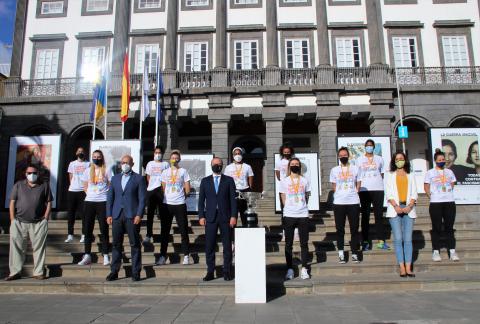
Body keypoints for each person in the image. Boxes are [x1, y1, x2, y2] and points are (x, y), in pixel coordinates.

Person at [5, 164, 52, 281]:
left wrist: (46, 217)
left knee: (39, 248)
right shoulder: (18, 185)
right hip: (19, 222)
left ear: (38, 174)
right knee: (16, 248)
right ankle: (15, 272)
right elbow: (12, 202)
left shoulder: (44, 185)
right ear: (25, 174)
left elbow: (49, 202)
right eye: (29, 173)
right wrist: (12, 219)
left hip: (38, 223)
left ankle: (38, 272)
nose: (32, 175)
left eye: (34, 173)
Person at [106, 155, 146, 281]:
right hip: (117, 214)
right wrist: (108, 214)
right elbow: (110, 198)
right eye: (123, 162)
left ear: (132, 164)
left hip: (132, 215)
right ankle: (114, 271)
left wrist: (139, 214)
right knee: (116, 244)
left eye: (127, 162)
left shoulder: (139, 179)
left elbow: (142, 199)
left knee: (134, 244)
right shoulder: (115, 178)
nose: (124, 164)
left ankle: (136, 272)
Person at [198, 157, 237, 281]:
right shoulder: (205, 181)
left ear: (222, 166)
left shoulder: (229, 180)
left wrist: (234, 216)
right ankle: (210, 271)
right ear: (211, 165)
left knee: (227, 245)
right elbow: (200, 201)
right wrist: (201, 216)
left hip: (226, 217)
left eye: (219, 164)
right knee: (209, 246)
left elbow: (233, 200)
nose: (217, 166)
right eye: (215, 164)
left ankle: (227, 271)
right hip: (210, 217)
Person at [385, 152, 418, 277]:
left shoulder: (411, 174)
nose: (399, 161)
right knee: (398, 239)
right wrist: (396, 206)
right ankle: (402, 267)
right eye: (397, 159)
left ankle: (409, 268)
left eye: (402, 159)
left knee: (408, 239)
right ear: (394, 161)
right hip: (395, 209)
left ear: (405, 160)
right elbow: (388, 193)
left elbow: (414, 192)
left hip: (409, 208)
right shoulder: (389, 175)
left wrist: (410, 206)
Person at [424, 149, 459, 262]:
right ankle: (436, 251)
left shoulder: (449, 172)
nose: (442, 161)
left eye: (443, 159)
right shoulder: (430, 172)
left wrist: (446, 193)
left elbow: (452, 183)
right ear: (435, 161)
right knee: (437, 228)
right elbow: (426, 187)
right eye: (439, 160)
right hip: (435, 203)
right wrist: (433, 196)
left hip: (449, 202)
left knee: (449, 227)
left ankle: (452, 251)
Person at [78, 150, 111, 266]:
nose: (96, 158)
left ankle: (106, 254)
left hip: (102, 202)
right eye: (94, 157)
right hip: (89, 202)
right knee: (87, 229)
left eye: (98, 157)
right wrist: (91, 194)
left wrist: (103, 195)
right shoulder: (88, 170)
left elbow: (110, 185)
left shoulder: (107, 170)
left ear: (102, 158)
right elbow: (85, 186)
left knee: (104, 229)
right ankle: (87, 255)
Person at [280, 158, 311, 280]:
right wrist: (287, 206)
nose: (294, 166)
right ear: (289, 167)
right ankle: (289, 269)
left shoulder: (305, 180)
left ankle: (304, 268)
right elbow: (282, 196)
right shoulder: (285, 181)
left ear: (300, 166)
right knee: (289, 244)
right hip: (289, 214)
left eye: (296, 164)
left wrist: (301, 205)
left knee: (304, 243)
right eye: (292, 164)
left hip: (303, 214)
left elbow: (307, 195)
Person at [330, 147, 361, 264]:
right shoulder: (334, 170)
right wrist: (339, 193)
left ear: (348, 156)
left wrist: (355, 191)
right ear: (338, 157)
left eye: (345, 155)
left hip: (353, 202)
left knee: (354, 229)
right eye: (341, 155)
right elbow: (334, 185)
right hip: (339, 203)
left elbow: (359, 182)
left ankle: (354, 252)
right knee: (340, 229)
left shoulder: (355, 168)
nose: (343, 157)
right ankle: (341, 253)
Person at [160, 150, 191, 265]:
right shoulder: (165, 172)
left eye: (176, 158)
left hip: (180, 204)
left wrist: (182, 195)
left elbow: (187, 188)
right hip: (167, 204)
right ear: (169, 159)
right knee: (165, 231)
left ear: (179, 159)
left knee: (183, 230)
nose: (174, 159)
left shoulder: (183, 171)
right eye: (172, 157)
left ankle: (186, 255)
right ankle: (163, 256)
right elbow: (162, 188)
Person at [356, 139, 389, 251]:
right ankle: (365, 241)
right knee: (365, 216)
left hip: (378, 189)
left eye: (371, 146)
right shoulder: (359, 159)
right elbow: (357, 175)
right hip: (364, 190)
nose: (369, 147)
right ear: (365, 147)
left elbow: (382, 173)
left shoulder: (379, 159)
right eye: (367, 146)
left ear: (374, 147)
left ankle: (381, 241)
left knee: (378, 215)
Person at [144, 145, 169, 244]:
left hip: (161, 190)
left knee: (163, 213)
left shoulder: (166, 164)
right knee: (150, 213)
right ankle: (148, 234)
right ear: (154, 153)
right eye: (156, 153)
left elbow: (167, 177)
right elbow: (148, 177)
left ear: (162, 154)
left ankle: (163, 233)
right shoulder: (150, 163)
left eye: (159, 153)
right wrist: (152, 186)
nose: (157, 154)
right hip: (151, 190)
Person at [65, 147, 90, 243]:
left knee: (84, 214)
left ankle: (84, 234)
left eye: (82, 151)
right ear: (76, 153)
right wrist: (73, 185)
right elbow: (70, 176)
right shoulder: (72, 164)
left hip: (83, 191)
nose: (80, 153)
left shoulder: (88, 164)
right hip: (72, 191)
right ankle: (70, 234)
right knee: (71, 213)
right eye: (79, 151)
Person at [224, 147, 254, 226]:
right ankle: (232, 232)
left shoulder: (247, 166)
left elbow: (250, 177)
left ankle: (245, 228)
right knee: (233, 213)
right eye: (236, 154)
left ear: (242, 155)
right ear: (233, 155)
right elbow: (225, 180)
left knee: (244, 213)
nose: (237, 155)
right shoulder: (228, 167)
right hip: (233, 191)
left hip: (245, 190)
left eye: (239, 153)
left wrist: (250, 189)